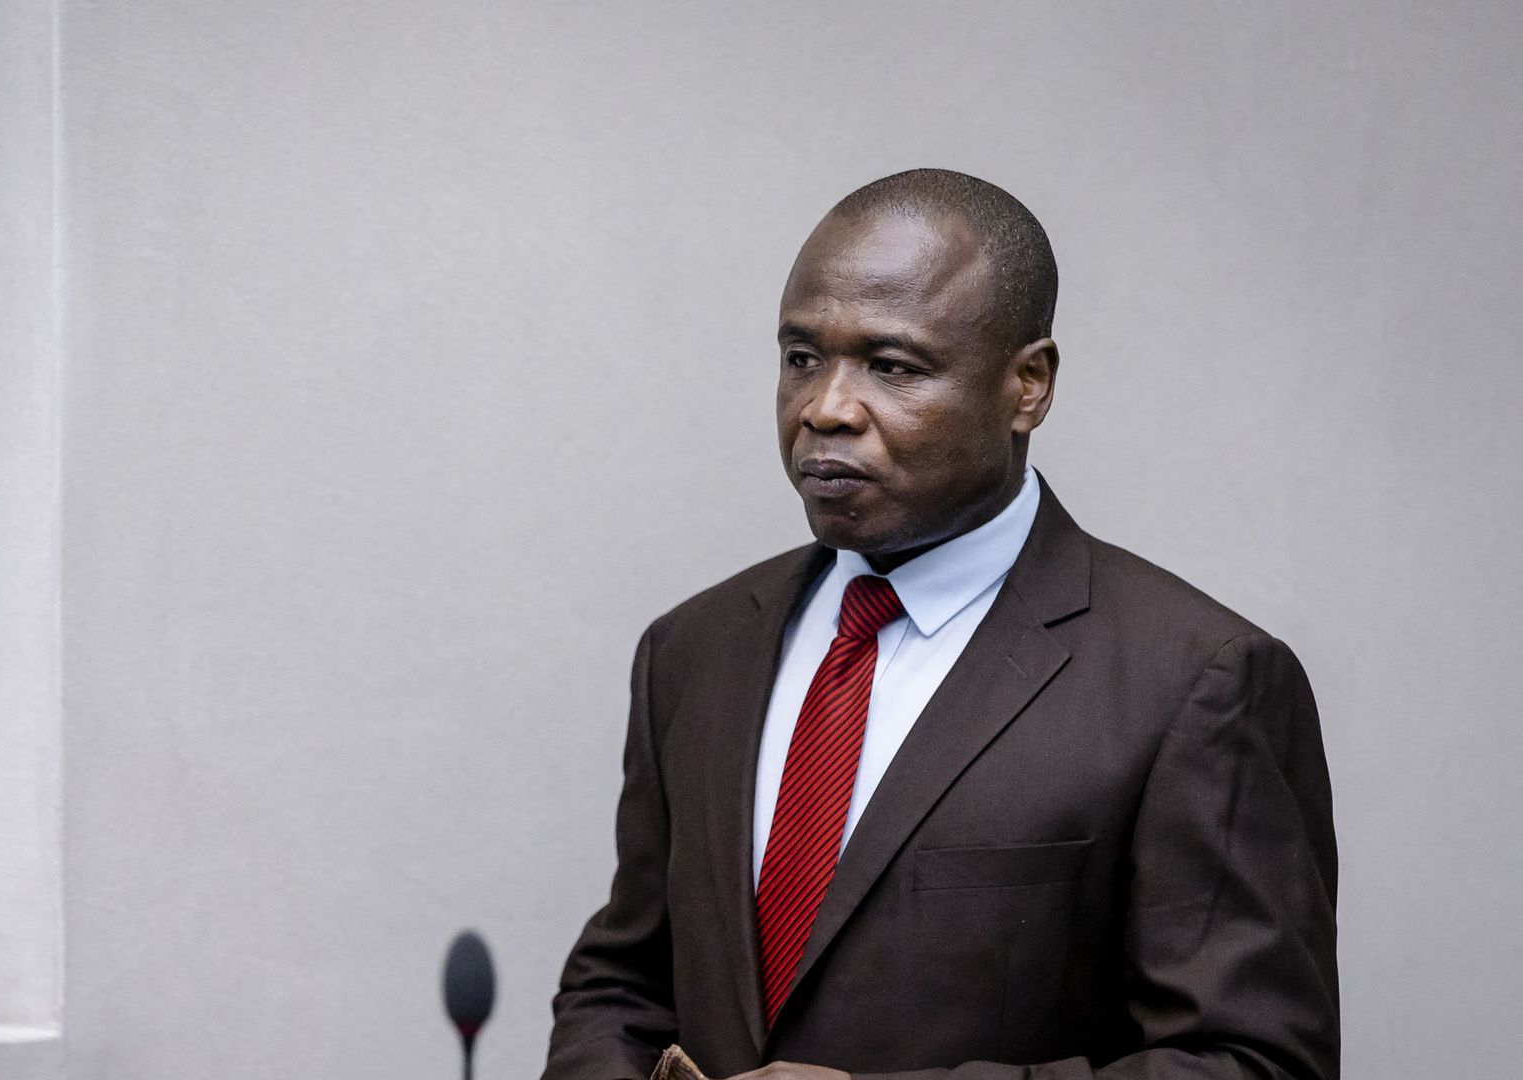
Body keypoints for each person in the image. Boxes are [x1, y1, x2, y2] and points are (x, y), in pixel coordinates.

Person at [541, 169, 1339, 1080]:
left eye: (892, 366)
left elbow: (1257, 1063)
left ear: (1028, 386)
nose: (825, 407)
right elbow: (624, 982)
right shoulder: (694, 648)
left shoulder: (1198, 682)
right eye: (802, 357)